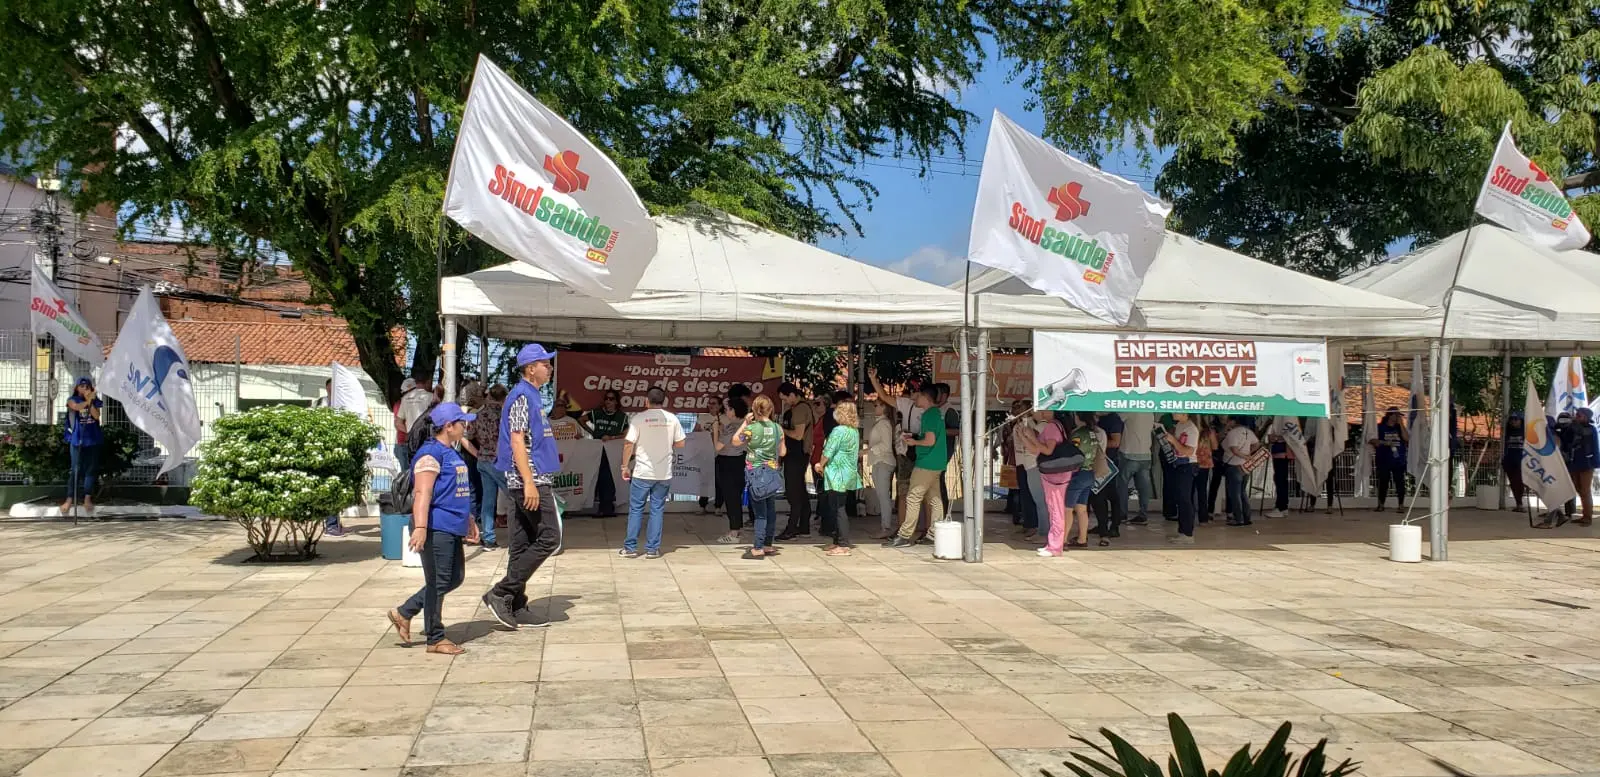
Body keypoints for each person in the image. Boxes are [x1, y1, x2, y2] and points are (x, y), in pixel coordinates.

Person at [386, 402, 479, 655]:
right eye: (462, 423)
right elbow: (422, 493)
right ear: (448, 426)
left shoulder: (450, 451)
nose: (465, 426)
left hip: (452, 526)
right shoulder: (430, 454)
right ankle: (435, 638)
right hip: (437, 527)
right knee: (438, 582)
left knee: (454, 578)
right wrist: (421, 527)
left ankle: (404, 612)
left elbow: (454, 490)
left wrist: (468, 519)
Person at [483, 345, 562, 630]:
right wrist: (529, 482)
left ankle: (515, 604)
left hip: (529, 478)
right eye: (545, 364)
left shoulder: (533, 395)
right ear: (530, 369)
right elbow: (517, 440)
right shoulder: (521, 396)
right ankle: (501, 592)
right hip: (529, 480)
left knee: (521, 543)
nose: (549, 368)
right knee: (550, 537)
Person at [619, 386, 686, 558]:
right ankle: (652, 549)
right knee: (657, 510)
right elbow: (681, 443)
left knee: (636, 509)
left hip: (642, 472)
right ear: (664, 401)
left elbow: (628, 443)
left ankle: (630, 548)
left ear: (646, 401)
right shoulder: (672, 418)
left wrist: (625, 466)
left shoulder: (639, 418)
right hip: (663, 473)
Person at [888, 386, 946, 548]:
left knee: (913, 497)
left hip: (926, 462)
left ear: (926, 397)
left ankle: (905, 535)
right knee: (934, 499)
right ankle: (934, 533)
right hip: (937, 462)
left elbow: (930, 441)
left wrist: (914, 442)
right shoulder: (936, 413)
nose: (914, 399)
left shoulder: (928, 415)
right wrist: (916, 437)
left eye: (918, 396)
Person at [735, 395, 785, 559]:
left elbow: (735, 441)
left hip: (755, 472)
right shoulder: (778, 428)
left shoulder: (751, 428)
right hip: (771, 472)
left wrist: (745, 423)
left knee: (760, 513)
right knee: (770, 509)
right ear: (770, 410)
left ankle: (757, 547)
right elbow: (782, 452)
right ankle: (768, 544)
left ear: (754, 410)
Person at [1029, 409, 1078, 557]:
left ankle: (1055, 546)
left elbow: (1047, 450)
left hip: (1055, 475)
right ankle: (1052, 543)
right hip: (1057, 474)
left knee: (1056, 509)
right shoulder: (1058, 426)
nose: (1042, 412)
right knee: (1054, 508)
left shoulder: (1051, 427)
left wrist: (1031, 437)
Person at [818, 401, 862, 555]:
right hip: (848, 472)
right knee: (838, 506)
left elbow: (828, 451)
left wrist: (820, 464)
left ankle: (843, 544)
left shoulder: (838, 431)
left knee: (838, 509)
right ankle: (837, 540)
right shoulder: (854, 431)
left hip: (837, 473)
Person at [468, 384, 506, 549]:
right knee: (515, 497)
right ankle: (523, 534)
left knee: (487, 500)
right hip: (499, 461)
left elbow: (468, 436)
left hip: (483, 460)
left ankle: (489, 537)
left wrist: (477, 453)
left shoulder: (477, 415)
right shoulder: (504, 415)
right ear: (503, 398)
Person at [776, 383, 815, 540]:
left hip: (797, 454)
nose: (784, 402)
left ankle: (792, 527)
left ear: (792, 394)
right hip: (793, 454)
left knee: (794, 492)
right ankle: (803, 525)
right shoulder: (795, 409)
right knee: (800, 490)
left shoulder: (800, 409)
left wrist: (780, 429)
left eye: (785, 398)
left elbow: (798, 435)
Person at [61, 377, 104, 515]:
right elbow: (76, 407)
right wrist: (87, 400)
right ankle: (69, 499)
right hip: (77, 440)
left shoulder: (95, 401)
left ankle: (87, 498)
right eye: (82, 386)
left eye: (87, 386)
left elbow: (96, 416)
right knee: (75, 469)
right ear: (77, 388)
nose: (85, 388)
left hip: (93, 440)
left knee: (90, 470)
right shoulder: (72, 399)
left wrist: (91, 401)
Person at [582, 390, 629, 517]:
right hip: (598, 450)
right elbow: (581, 419)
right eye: (606, 398)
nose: (608, 401)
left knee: (609, 478)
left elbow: (626, 433)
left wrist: (612, 438)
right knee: (597, 477)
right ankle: (601, 507)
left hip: (613, 451)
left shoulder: (621, 416)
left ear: (616, 402)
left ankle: (607, 507)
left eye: (611, 399)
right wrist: (593, 433)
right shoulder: (597, 413)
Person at [713, 395, 752, 543]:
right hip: (741, 461)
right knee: (735, 496)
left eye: (728, 409)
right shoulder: (745, 425)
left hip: (729, 462)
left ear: (734, 410)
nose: (726, 412)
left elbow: (718, 447)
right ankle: (737, 528)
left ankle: (734, 531)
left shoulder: (732, 427)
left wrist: (715, 431)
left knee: (731, 497)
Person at [1064, 413, 1101, 550]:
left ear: (1078, 417)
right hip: (1089, 473)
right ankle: (1082, 539)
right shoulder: (1093, 433)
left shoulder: (1078, 434)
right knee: (1081, 509)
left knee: (1067, 509)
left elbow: (1072, 453)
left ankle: (1063, 540)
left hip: (1077, 474)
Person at [866, 397, 899, 539]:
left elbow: (885, 445)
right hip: (879, 461)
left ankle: (886, 527)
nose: (875, 408)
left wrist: (868, 450)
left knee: (883, 496)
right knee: (882, 495)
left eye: (876, 405)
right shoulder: (882, 422)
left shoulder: (884, 423)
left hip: (883, 461)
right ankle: (885, 526)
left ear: (884, 407)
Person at [1166, 413, 1200, 543]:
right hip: (1179, 464)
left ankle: (1187, 533)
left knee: (1185, 499)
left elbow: (1189, 451)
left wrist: (1173, 440)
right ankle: (1182, 531)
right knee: (1180, 499)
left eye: (1176, 410)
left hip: (1188, 465)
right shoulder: (1180, 425)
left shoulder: (1191, 429)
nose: (1173, 413)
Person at [1090, 412, 1125, 537]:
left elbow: (1116, 442)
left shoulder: (1113, 419)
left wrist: (1096, 443)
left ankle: (1113, 526)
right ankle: (1102, 525)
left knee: (1108, 495)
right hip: (1099, 461)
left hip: (1109, 462)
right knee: (1099, 495)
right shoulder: (1098, 418)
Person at [1562, 407, 1598, 526]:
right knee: (1577, 488)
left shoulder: (1590, 429)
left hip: (1587, 463)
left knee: (1585, 490)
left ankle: (1587, 517)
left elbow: (1588, 439)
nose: (1576, 417)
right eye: (1576, 415)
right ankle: (1584, 514)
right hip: (1574, 463)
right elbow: (1566, 440)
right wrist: (1568, 427)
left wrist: (1595, 462)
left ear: (1586, 417)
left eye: (1579, 415)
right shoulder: (1572, 428)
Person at [1221, 416, 1259, 527]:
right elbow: (1257, 444)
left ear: (1235, 422)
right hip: (1245, 466)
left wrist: (1244, 456)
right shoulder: (1249, 432)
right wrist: (1248, 454)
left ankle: (1238, 518)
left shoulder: (1233, 433)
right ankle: (1247, 517)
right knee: (1242, 492)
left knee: (1235, 493)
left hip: (1234, 465)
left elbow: (1234, 450)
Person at [1370, 407, 1408, 512]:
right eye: (1396, 415)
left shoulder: (1399, 428)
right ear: (1390, 415)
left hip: (1398, 460)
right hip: (1384, 459)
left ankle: (1401, 504)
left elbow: (1406, 438)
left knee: (1400, 483)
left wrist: (1401, 424)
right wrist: (1384, 443)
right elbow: (1372, 440)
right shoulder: (1380, 427)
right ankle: (1381, 504)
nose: (1398, 417)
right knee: (1383, 482)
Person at [1120, 412, 1154, 525]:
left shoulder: (1130, 409)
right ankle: (1143, 515)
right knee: (1143, 488)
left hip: (1129, 453)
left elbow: (1117, 415)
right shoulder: (1150, 412)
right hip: (1146, 454)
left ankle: (1122, 514)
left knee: (1122, 485)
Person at [396, 377, 435, 464]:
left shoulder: (405, 398)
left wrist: (409, 433)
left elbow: (398, 423)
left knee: (413, 465)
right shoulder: (431, 397)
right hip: (427, 439)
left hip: (412, 440)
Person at [1194, 420, 1218, 524]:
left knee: (1189, 491)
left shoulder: (1190, 429)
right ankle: (1203, 518)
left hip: (1191, 462)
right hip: (1204, 464)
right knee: (1202, 491)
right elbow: (1215, 446)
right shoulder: (1209, 432)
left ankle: (1187, 516)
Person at [1502, 410, 1526, 511]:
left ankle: (1520, 503)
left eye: (1516, 419)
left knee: (1520, 482)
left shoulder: (1526, 432)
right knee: (1513, 482)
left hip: (1522, 461)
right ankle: (1518, 503)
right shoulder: (1507, 432)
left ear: (1521, 420)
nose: (1513, 421)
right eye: (1511, 419)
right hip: (1510, 460)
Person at [1267, 425, 1291, 518]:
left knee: (1281, 480)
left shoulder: (1285, 424)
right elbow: (1271, 439)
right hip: (1278, 454)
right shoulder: (1274, 425)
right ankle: (1282, 506)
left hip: (1283, 454)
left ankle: (1281, 507)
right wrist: (1278, 438)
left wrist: (1277, 438)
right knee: (1280, 480)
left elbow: (1286, 437)